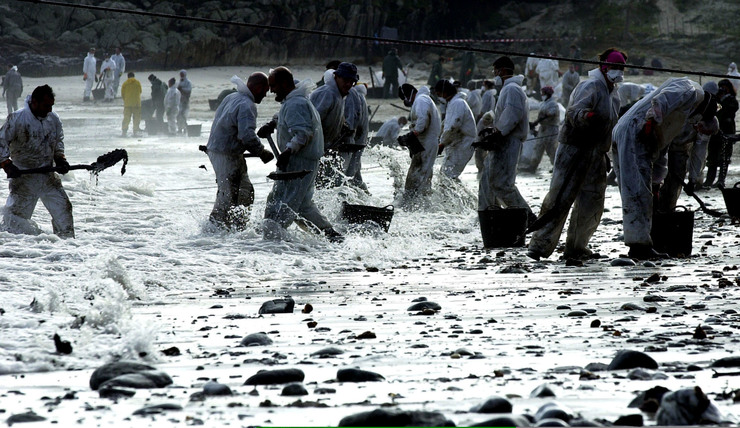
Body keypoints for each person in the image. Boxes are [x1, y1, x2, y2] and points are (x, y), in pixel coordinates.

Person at [527, 49, 626, 261]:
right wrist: (587, 116)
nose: (618, 72)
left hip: (596, 152)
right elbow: (573, 112)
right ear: (604, 67)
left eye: (621, 68)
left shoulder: (613, 94)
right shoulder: (590, 86)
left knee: (593, 199)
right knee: (560, 197)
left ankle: (577, 246)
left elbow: (610, 125)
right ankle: (539, 246)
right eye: (615, 68)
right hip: (574, 148)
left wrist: (604, 151)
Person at [612, 77, 717, 259]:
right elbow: (661, 100)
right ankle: (639, 247)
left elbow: (663, 147)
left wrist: (657, 180)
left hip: (637, 134)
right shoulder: (690, 90)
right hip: (636, 130)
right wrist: (651, 122)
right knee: (638, 192)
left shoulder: (683, 113)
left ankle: (640, 242)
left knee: (639, 191)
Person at [262, 66, 343, 242]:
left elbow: (303, 133)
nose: (271, 90)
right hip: (303, 161)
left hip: (298, 163)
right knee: (303, 205)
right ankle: (331, 236)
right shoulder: (295, 101)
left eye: (273, 85)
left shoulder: (296, 104)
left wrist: (288, 151)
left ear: (284, 84)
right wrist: (272, 124)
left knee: (283, 204)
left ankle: (273, 242)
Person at [0, 85, 74, 238]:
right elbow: (1, 142)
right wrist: (6, 164)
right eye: (46, 106)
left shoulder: (53, 119)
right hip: (23, 179)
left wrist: (60, 158)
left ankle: (67, 246)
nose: (49, 110)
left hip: (48, 177)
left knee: (63, 209)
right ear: (34, 102)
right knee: (15, 223)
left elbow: (58, 140)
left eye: (51, 106)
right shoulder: (17, 118)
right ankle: (13, 252)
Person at [206, 73, 275, 228]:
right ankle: (215, 232)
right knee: (228, 196)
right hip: (226, 155)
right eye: (264, 91)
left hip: (220, 151)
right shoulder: (246, 105)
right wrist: (261, 151)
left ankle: (236, 228)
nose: (265, 95)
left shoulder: (231, 97)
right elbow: (246, 135)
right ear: (257, 88)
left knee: (245, 191)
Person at [477, 56, 535, 222]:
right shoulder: (509, 89)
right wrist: (494, 129)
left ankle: (527, 216)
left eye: (495, 71)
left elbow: (511, 115)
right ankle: (490, 215)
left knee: (502, 184)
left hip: (508, 142)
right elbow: (506, 116)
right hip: (503, 140)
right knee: (488, 181)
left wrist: (498, 132)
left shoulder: (512, 89)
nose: (494, 74)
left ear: (501, 70)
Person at [397, 83, 441, 206]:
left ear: (408, 94)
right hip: (424, 142)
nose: (405, 101)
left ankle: (419, 205)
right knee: (418, 173)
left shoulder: (421, 100)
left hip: (427, 142)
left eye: (404, 98)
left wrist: (413, 134)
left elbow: (423, 120)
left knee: (422, 174)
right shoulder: (423, 100)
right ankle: (416, 203)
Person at [435, 79, 476, 180]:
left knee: (447, 178)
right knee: (446, 177)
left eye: (439, 94)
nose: (439, 97)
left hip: (463, 145)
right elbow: (446, 124)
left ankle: (461, 196)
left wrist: (442, 144)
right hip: (456, 144)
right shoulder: (452, 103)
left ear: (445, 92)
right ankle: (459, 195)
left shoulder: (458, 103)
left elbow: (453, 127)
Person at [705, 78, 738, 188]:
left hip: (727, 131)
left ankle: (720, 180)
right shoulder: (717, 100)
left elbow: (729, 111)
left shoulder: (732, 100)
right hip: (716, 132)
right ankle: (709, 180)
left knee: (724, 157)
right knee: (712, 157)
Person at [520, 85, 560, 173]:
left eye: (543, 93)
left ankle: (556, 167)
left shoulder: (553, 104)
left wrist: (536, 122)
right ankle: (532, 166)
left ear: (547, 94)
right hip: (543, 128)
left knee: (551, 149)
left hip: (551, 128)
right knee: (538, 147)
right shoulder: (543, 103)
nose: (541, 95)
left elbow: (550, 114)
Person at [340, 82, 369, 190]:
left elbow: (354, 120)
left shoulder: (354, 97)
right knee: (356, 170)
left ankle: (350, 197)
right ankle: (364, 196)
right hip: (360, 139)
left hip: (354, 139)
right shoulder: (362, 98)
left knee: (349, 172)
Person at [121, 72, 142, 137]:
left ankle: (124, 131)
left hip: (127, 104)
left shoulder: (125, 84)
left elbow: (122, 94)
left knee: (126, 118)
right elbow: (140, 91)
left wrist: (126, 100)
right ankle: (135, 131)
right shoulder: (137, 83)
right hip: (136, 104)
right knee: (136, 118)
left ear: (128, 77)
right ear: (134, 76)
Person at [177, 69, 192, 134]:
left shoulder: (188, 82)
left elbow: (189, 90)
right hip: (179, 101)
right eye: (180, 74)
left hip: (185, 101)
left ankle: (185, 128)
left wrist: (182, 89)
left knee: (183, 115)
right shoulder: (179, 82)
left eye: (182, 74)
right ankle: (179, 129)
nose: (181, 75)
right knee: (178, 115)